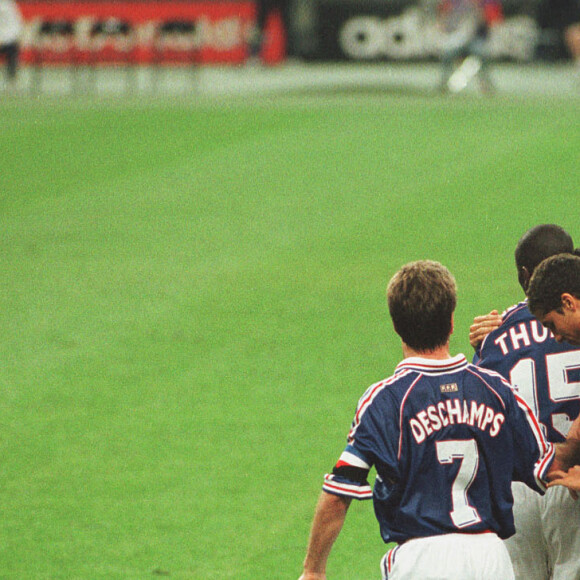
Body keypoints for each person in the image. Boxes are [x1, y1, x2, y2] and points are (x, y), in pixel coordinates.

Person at [298, 260, 580, 580]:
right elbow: (548, 468)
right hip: (491, 559)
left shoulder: (387, 401)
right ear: (451, 322)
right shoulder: (497, 391)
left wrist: (313, 570)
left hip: (422, 560)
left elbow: (338, 494)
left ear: (396, 326)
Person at [469, 224, 580, 580]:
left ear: (523, 274)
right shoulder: (570, 319)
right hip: (572, 476)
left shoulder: (494, 333)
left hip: (520, 482)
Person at [436, 0, 503, 93]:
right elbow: (444, 18)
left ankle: (486, 85)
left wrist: (477, 10)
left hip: (475, 39)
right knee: (447, 54)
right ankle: (444, 84)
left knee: (482, 54)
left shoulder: (483, 2)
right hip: (458, 38)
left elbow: (492, 21)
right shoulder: (455, 2)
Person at [0, 0, 23, 86]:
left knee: (13, 50)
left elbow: (16, 25)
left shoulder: (10, 5)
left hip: (8, 41)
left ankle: (11, 80)